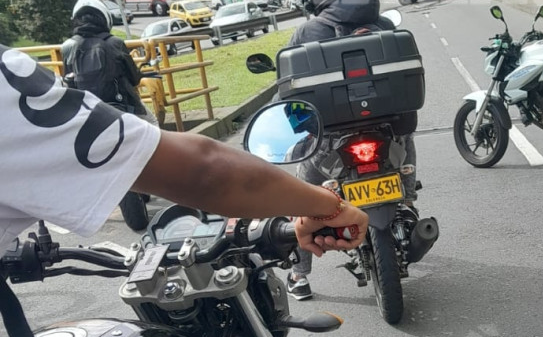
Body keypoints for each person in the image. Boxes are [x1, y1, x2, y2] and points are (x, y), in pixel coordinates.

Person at [0, 43, 368, 257]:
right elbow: (205, 173)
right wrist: (329, 206)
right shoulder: (12, 81)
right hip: (119, 114)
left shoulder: (67, 50)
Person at [283, 0, 420, 301]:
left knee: (302, 197)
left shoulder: (304, 34)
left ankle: (299, 274)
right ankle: (407, 192)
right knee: (405, 139)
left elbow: (288, 100)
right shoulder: (384, 25)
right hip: (390, 136)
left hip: (330, 146)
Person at [62, 0, 153, 123]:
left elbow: (68, 79)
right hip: (122, 106)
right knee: (152, 123)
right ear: (104, 18)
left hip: (87, 110)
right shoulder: (115, 43)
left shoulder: (68, 46)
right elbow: (134, 78)